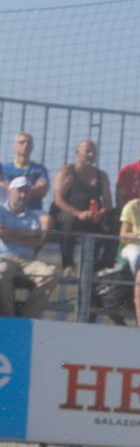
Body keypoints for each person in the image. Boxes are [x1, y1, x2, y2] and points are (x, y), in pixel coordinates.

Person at [51, 139, 115, 272]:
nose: (91, 154)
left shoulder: (101, 176)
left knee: (112, 222)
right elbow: (58, 200)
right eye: (88, 151)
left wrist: (100, 213)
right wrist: (78, 214)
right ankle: (68, 264)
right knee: (69, 221)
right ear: (77, 152)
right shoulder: (67, 172)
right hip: (67, 214)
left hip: (92, 217)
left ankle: (105, 265)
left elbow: (108, 202)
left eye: (93, 152)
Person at [0, 176, 57, 317]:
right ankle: (9, 315)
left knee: (50, 274)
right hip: (4, 256)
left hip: (28, 259)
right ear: (10, 192)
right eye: (20, 191)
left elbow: (38, 242)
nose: (23, 195)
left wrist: (13, 234)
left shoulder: (34, 216)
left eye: (26, 192)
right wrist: (26, 234)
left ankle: (27, 316)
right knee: (2, 272)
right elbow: (3, 235)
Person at [2, 132, 50, 211]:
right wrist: (29, 191)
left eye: (29, 142)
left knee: (46, 220)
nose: (26, 144)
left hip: (34, 211)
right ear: (14, 145)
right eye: (22, 142)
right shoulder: (5, 169)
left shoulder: (40, 169)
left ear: (32, 147)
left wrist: (15, 190)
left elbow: (42, 190)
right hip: (9, 211)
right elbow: (3, 189)